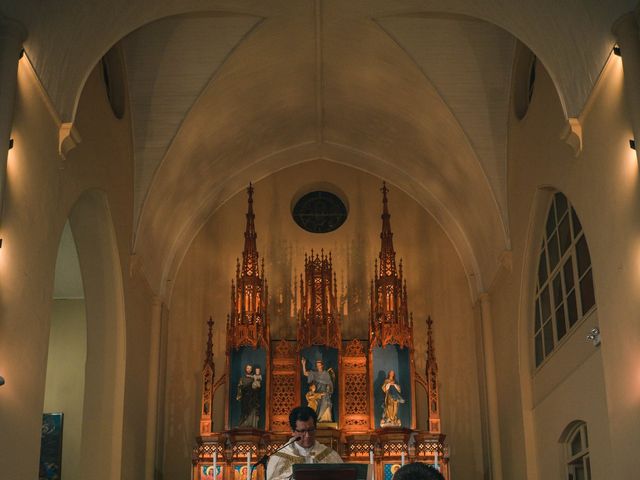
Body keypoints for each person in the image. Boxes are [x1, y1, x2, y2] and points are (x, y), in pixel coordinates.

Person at [266, 406, 342, 480]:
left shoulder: (330, 455)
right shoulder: (279, 458)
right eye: (302, 431)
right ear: (292, 431)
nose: (307, 435)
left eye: (310, 430)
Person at [301, 358, 334, 422]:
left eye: (319, 365)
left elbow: (330, 384)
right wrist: (303, 364)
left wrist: (328, 390)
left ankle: (324, 419)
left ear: (322, 365)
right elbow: (305, 373)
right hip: (316, 393)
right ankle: (315, 419)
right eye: (317, 365)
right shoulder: (314, 374)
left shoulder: (326, 374)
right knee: (313, 401)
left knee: (326, 400)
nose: (318, 366)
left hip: (324, 393)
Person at [236, 364, 261, 428]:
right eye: (248, 368)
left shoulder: (253, 378)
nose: (249, 369)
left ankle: (250, 424)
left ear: (252, 369)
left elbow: (257, 387)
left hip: (252, 397)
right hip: (245, 397)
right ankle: (243, 424)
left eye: (250, 368)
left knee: (251, 409)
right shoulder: (242, 378)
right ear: (245, 369)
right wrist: (240, 393)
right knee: (244, 410)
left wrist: (254, 386)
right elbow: (239, 387)